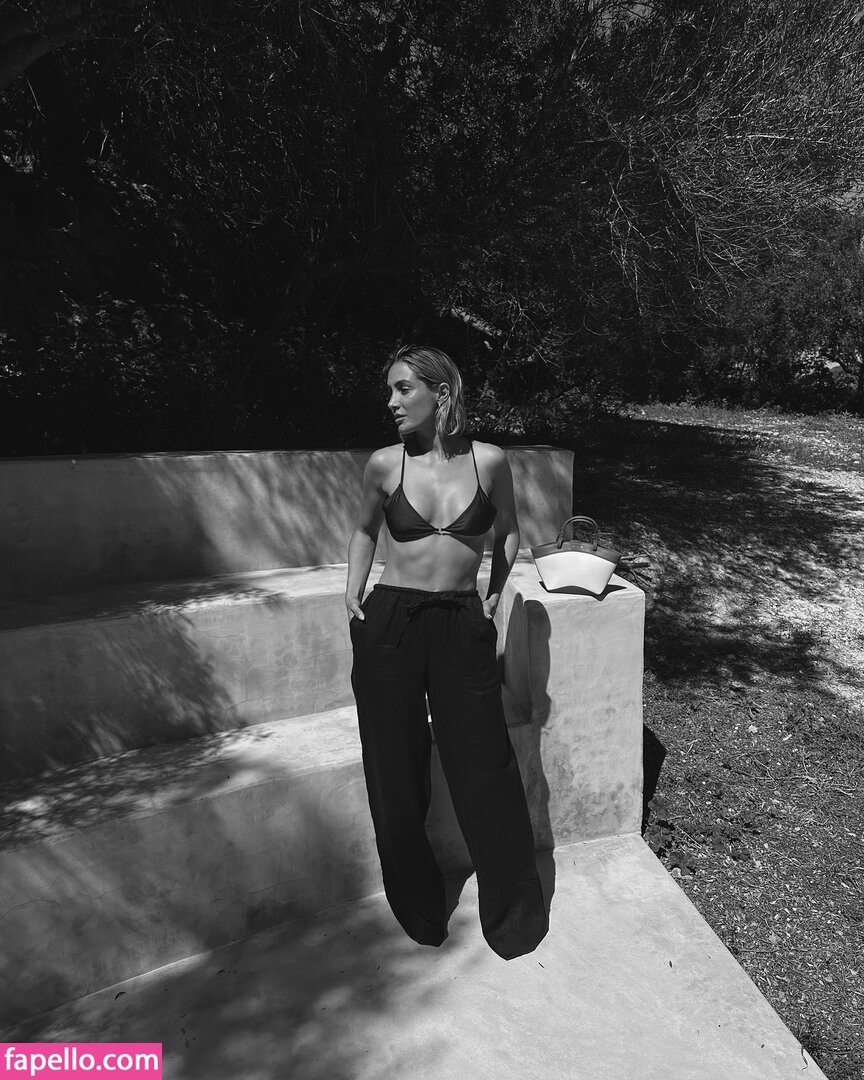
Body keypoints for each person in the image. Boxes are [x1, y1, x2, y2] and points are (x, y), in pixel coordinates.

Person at [345, 344, 548, 960]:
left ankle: (512, 913)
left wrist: (494, 591)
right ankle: (418, 906)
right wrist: (351, 590)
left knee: (485, 765)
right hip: (391, 623)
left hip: (461, 623)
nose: (391, 402)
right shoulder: (385, 464)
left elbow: (508, 531)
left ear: (442, 393)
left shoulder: (490, 461)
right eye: (390, 389)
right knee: (393, 767)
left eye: (403, 388)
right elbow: (364, 530)